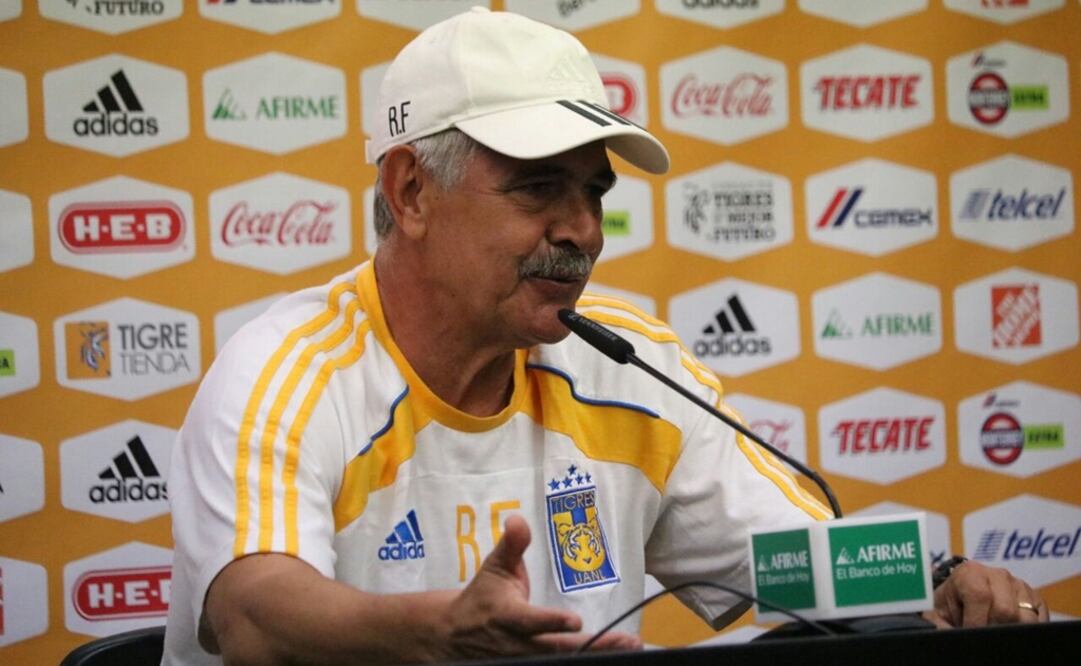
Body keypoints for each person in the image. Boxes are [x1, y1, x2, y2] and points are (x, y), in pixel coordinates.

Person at [162, 7, 1048, 665]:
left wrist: (932, 576)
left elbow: (787, 557)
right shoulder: (287, 371)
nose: (581, 229)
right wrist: (437, 636)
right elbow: (252, 612)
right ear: (409, 192)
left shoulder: (631, 360)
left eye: (594, 192)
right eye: (537, 187)